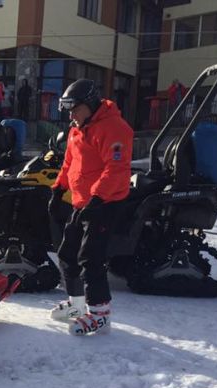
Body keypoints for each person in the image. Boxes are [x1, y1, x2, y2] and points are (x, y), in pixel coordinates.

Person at [48, 78, 133, 336]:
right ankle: (76, 305)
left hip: (105, 203)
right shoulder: (77, 129)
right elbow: (69, 163)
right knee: (67, 254)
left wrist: (97, 199)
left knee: (91, 258)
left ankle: (100, 315)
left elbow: (116, 169)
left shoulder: (115, 128)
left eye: (75, 109)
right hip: (83, 203)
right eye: (68, 110)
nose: (71, 115)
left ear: (90, 104)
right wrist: (58, 189)